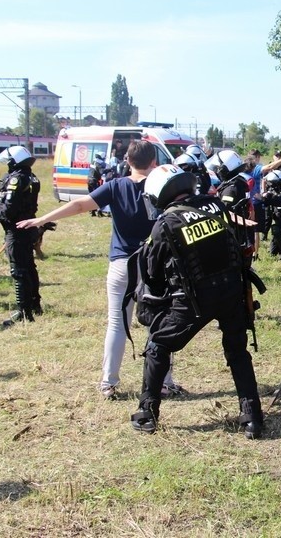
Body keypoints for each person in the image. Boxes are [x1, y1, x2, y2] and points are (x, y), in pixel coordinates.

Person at [17, 140, 181, 399]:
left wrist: (42, 219)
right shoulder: (164, 188)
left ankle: (108, 383)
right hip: (154, 265)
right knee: (159, 325)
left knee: (117, 324)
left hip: (122, 265)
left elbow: (81, 204)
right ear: (154, 162)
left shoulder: (116, 186)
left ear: (127, 160)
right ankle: (164, 382)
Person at [129, 164, 264, 438]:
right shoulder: (215, 206)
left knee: (158, 345)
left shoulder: (165, 223)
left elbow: (153, 278)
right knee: (238, 352)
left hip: (192, 301)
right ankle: (252, 418)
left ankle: (147, 412)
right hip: (231, 292)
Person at [0, 146, 42, 326]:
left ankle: (23, 311)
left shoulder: (16, 179)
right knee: (29, 266)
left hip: (17, 229)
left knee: (19, 270)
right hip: (29, 227)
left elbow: (10, 207)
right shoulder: (30, 177)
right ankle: (35, 304)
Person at [88, 153, 106, 217]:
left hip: (88, 180)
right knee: (97, 197)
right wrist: (107, 170)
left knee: (91, 197)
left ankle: (92, 211)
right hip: (94, 181)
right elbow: (101, 172)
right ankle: (99, 211)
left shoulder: (93, 160)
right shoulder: (100, 163)